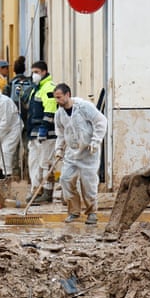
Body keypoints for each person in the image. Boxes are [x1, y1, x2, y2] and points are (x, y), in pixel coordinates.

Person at [52, 83, 108, 225]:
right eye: (55, 98)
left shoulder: (84, 107)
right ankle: (74, 212)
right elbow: (60, 134)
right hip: (72, 154)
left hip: (88, 152)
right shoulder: (59, 114)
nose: (57, 101)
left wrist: (96, 141)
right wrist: (59, 149)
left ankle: (92, 212)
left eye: (59, 97)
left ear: (67, 95)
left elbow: (100, 121)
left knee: (88, 184)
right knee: (65, 179)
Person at [26, 61, 58, 204]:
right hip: (34, 131)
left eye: (37, 72)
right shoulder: (36, 89)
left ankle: (47, 192)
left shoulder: (48, 88)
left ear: (44, 72)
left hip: (46, 133)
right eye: (33, 72)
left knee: (46, 162)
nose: (34, 75)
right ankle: (36, 190)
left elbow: (50, 108)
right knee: (34, 163)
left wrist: (44, 127)